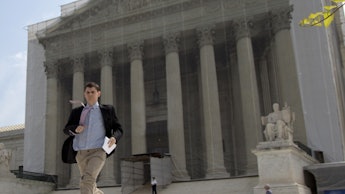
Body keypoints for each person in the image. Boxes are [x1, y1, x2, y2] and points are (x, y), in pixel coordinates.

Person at [63, 82, 123, 194]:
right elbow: (66, 129)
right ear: (84, 94)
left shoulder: (107, 110)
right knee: (88, 182)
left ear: (98, 93)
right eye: (88, 92)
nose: (90, 94)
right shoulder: (77, 112)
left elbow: (118, 128)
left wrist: (114, 138)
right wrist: (75, 128)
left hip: (98, 151)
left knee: (88, 179)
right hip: (81, 153)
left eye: (93, 92)